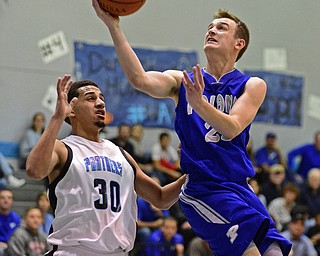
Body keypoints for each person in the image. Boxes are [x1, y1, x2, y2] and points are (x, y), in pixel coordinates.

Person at [92, 2, 292, 255]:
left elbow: (231, 128)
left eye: (221, 28)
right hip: (203, 188)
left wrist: (199, 104)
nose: (212, 31)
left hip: (239, 186)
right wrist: (114, 26)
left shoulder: (252, 85)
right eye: (210, 27)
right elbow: (139, 79)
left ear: (238, 43)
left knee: (277, 251)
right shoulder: (181, 81)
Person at [26, 75, 186, 256]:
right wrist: (56, 117)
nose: (100, 103)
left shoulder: (121, 153)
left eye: (102, 98)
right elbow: (34, 170)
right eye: (90, 98)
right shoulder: (63, 148)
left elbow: (161, 198)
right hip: (73, 251)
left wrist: (192, 173)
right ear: (71, 110)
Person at [0, 189, 21, 256]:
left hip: (11, 246)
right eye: (2, 198)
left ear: (12, 201)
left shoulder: (16, 218)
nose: (6, 200)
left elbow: (18, 237)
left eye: (9, 198)